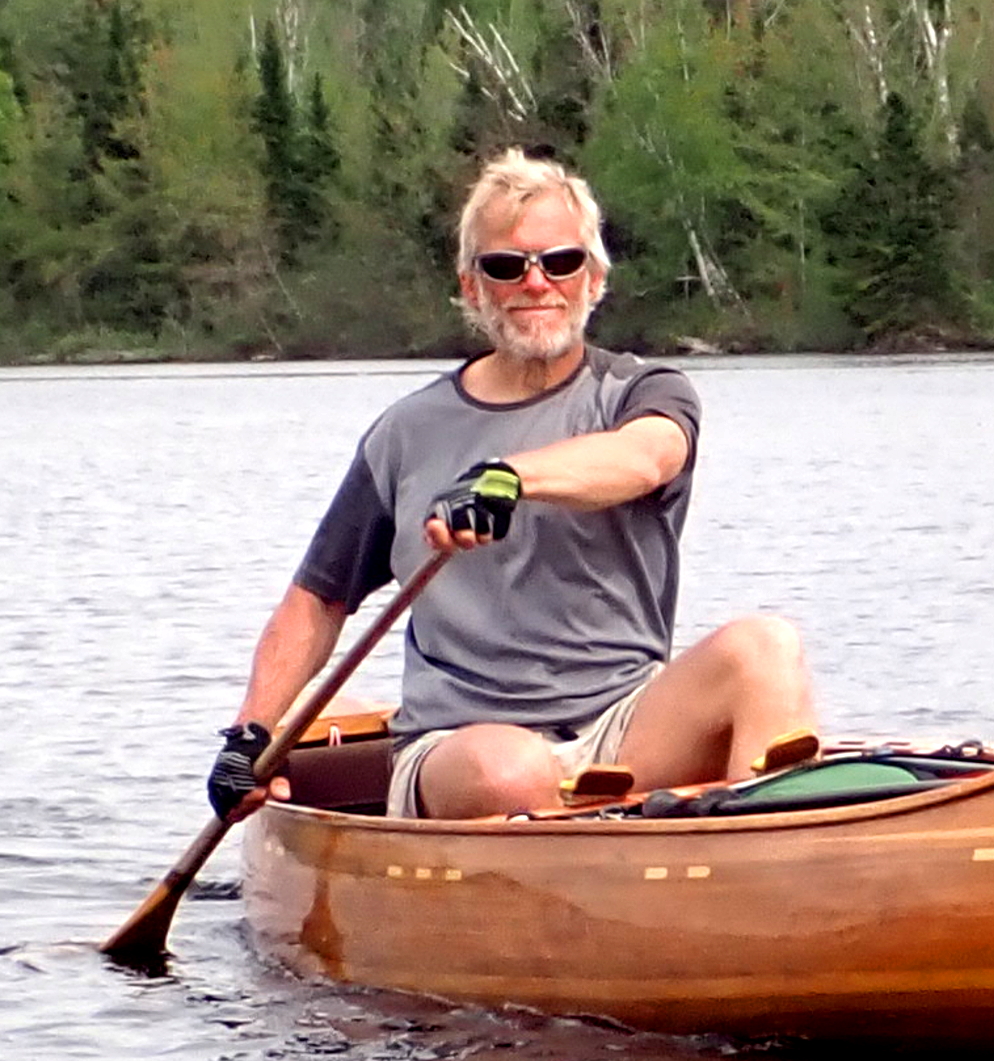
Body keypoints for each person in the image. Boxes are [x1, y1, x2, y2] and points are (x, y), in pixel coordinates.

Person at [207, 148, 815, 822]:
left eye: (561, 261)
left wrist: (510, 478)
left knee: (767, 648)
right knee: (513, 771)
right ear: (472, 288)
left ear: (595, 279)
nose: (537, 283)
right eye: (506, 266)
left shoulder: (642, 392)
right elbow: (318, 601)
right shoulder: (407, 433)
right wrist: (248, 737)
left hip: (625, 729)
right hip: (462, 746)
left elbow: (645, 460)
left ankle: (756, 864)